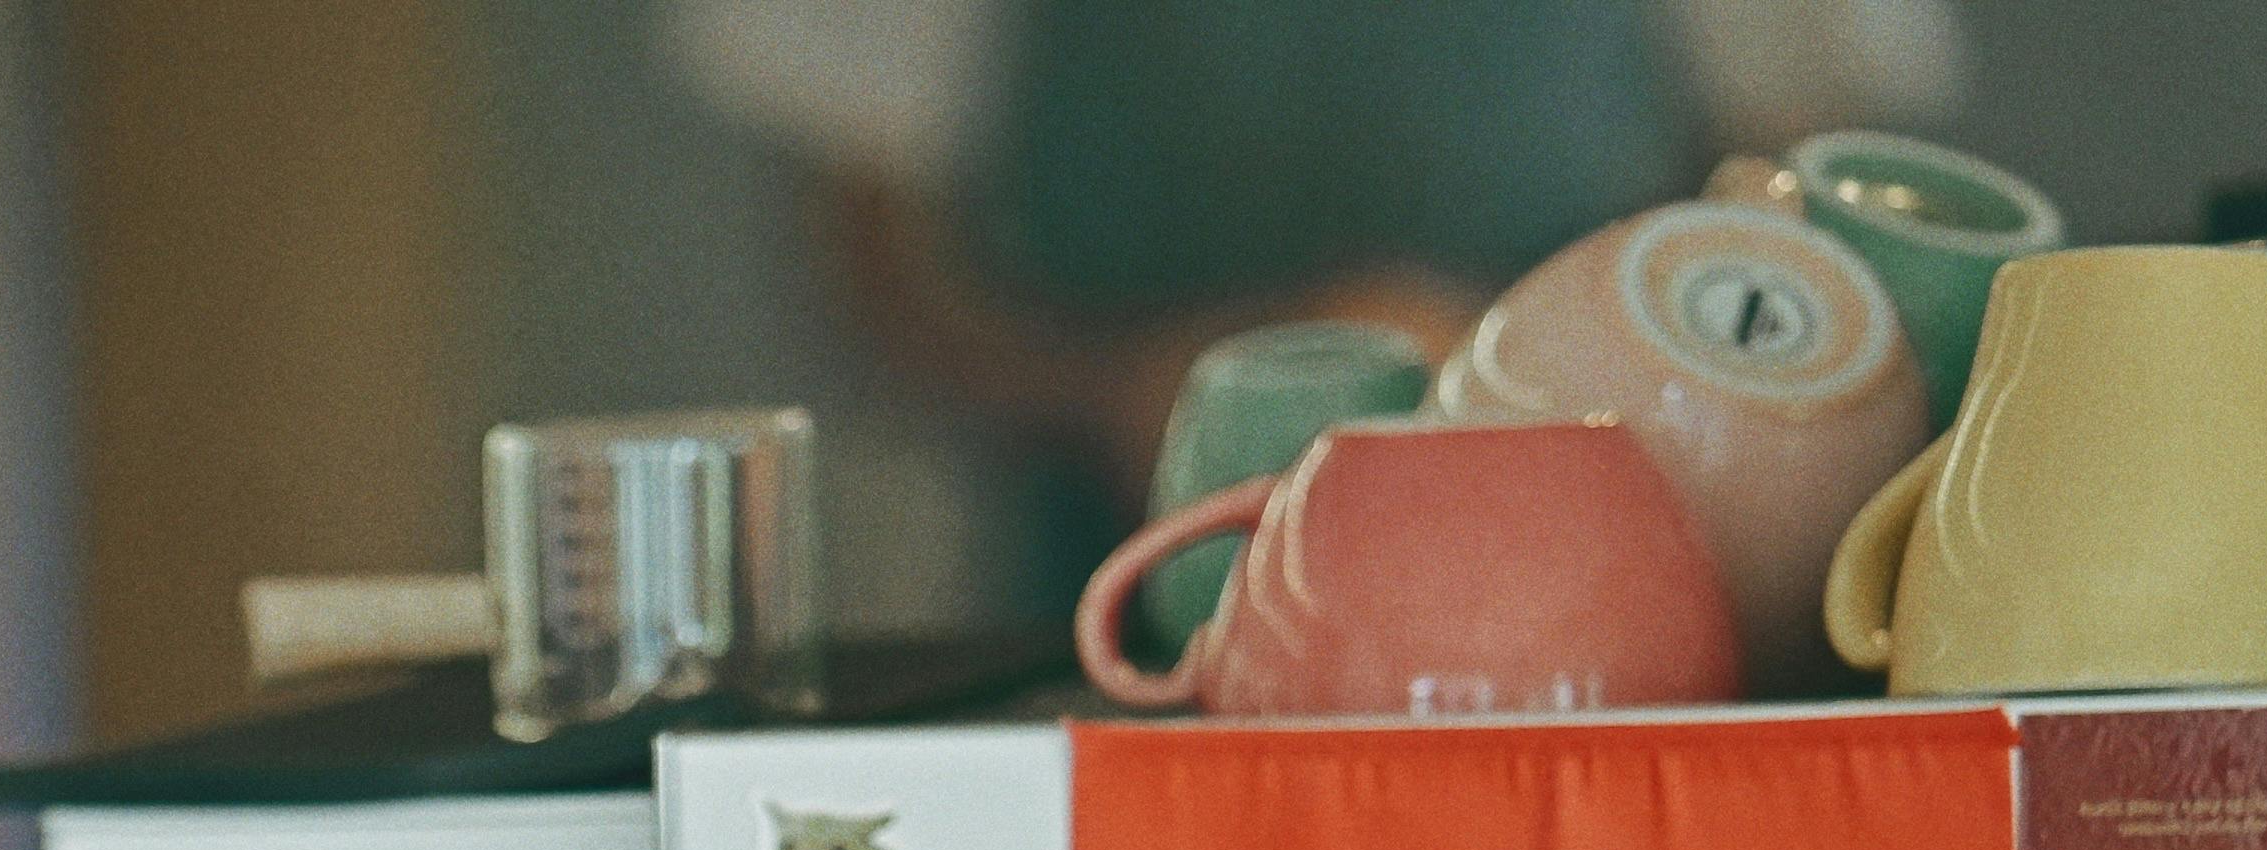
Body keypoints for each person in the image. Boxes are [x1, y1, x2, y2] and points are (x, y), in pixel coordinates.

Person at [673, 0, 1969, 599]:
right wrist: (1119, 385)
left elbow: (1781, 212)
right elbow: (881, 272)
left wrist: (1543, 369)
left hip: (1594, 607)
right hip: (1109, 600)